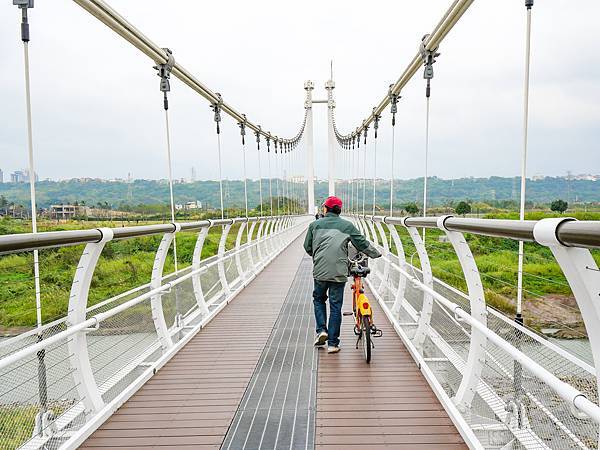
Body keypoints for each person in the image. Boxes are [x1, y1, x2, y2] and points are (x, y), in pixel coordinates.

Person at [303, 196, 381, 353]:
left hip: (320, 271)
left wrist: (317, 256)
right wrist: (376, 254)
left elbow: (307, 247)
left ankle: (321, 331)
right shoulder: (347, 226)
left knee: (318, 299)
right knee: (335, 306)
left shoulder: (314, 225)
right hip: (339, 271)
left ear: (325, 209)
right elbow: (362, 244)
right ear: (339, 210)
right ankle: (333, 344)